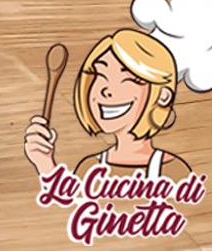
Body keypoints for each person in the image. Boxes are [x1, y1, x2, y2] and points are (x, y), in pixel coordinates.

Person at [25, 29, 191, 180]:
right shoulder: (90, 168)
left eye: (128, 79)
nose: (106, 90)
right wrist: (44, 163)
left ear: (163, 95)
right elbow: (69, 209)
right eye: (100, 74)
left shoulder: (173, 172)